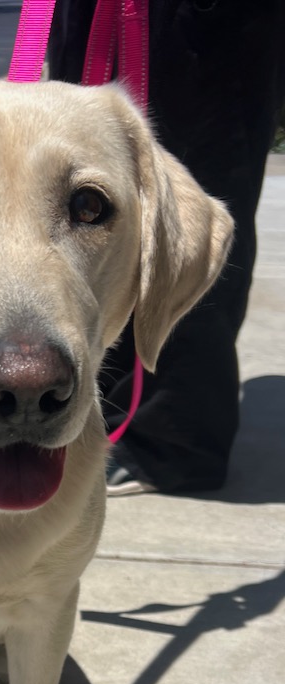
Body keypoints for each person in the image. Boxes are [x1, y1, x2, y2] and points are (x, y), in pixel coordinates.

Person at [50, 0, 285, 495]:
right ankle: (108, 410)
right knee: (81, 183)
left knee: (188, 188)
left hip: (198, 23)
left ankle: (175, 444)